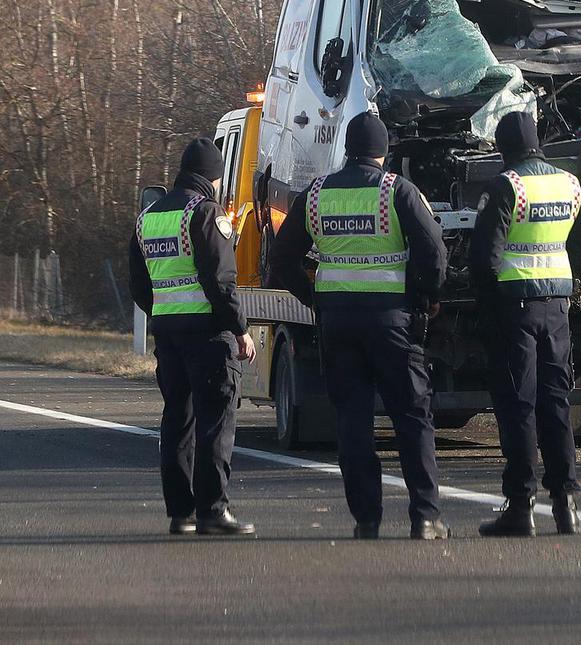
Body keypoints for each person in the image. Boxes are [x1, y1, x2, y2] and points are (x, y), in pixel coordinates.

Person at [270, 112, 451, 539]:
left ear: (347, 150)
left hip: (337, 323)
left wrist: (314, 297)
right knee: (411, 417)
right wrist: (426, 300)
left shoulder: (315, 196)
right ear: (384, 152)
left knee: (352, 421)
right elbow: (434, 254)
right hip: (392, 323)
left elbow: (281, 260)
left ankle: (366, 519)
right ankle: (425, 516)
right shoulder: (397, 191)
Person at [469, 111, 581, 537]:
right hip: (556, 308)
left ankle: (521, 506)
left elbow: (485, 257)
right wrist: (563, 283)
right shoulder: (569, 185)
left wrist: (485, 304)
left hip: (514, 309)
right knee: (555, 404)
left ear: (504, 147)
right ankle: (566, 505)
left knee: (518, 406)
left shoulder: (508, 186)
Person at [129, 137, 257, 537]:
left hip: (169, 334)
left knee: (177, 421)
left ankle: (180, 512)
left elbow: (139, 284)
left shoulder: (148, 217)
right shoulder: (204, 213)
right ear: (212, 177)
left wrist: (164, 313)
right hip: (208, 335)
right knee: (215, 423)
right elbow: (221, 282)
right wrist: (240, 329)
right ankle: (213, 510)